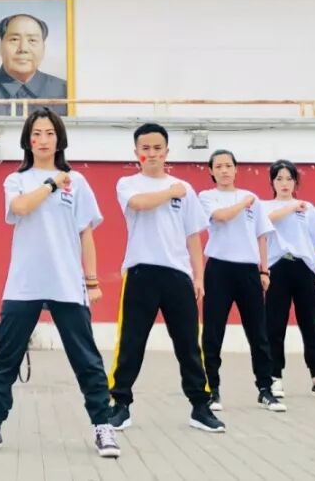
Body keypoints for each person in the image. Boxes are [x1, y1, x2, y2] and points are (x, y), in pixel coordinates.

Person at [0, 107, 121, 459]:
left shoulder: (78, 182)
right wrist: (53, 183)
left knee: (87, 360)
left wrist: (92, 281)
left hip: (66, 282)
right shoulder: (17, 180)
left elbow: (86, 233)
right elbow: (21, 208)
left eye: (49, 133)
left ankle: (103, 426)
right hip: (24, 283)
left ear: (59, 139)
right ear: (27, 140)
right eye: (36, 133)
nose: (43, 139)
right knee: (5, 359)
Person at [107, 123, 226, 433]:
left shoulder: (184, 188)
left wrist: (198, 277)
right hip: (140, 272)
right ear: (136, 152)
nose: (152, 153)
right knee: (131, 342)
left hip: (178, 275)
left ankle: (200, 406)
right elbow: (139, 204)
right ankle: (120, 404)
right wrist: (170, 192)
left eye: (157, 148)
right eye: (145, 148)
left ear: (167, 151)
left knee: (189, 345)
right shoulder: (128, 184)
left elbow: (193, 235)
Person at [198, 150, 286, 413]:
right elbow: (221, 217)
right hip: (219, 269)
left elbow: (262, 235)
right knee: (213, 332)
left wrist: (264, 270)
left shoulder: (252, 199)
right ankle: (212, 391)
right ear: (211, 171)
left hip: (248, 270)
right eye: (218, 166)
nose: (224, 170)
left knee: (258, 333)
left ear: (236, 169)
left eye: (228, 165)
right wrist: (244, 203)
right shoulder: (207, 197)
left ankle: (265, 389)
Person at [262, 159, 315, 401]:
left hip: (304, 268)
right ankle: (275, 376)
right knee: (275, 325)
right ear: (272, 182)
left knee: (310, 324)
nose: (284, 183)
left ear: (295, 182)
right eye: (279, 178)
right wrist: (293, 206)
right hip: (277, 267)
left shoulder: (309, 209)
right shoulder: (265, 206)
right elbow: (268, 221)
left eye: (289, 178)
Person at [0, 13, 68, 116]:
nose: (23, 49)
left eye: (32, 40)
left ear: (43, 49)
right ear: (0, 47)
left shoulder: (65, 91)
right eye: (14, 39)